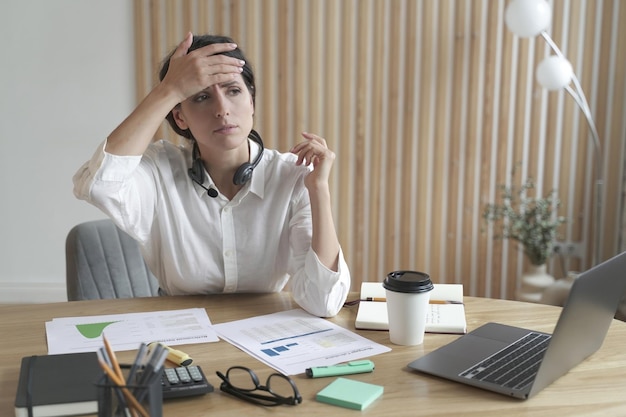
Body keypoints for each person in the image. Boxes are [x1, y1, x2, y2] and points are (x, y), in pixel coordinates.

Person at [73, 33, 350, 317]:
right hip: (179, 332)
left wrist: (319, 190)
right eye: (202, 96)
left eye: (233, 91)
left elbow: (323, 301)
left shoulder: (292, 175)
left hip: (262, 332)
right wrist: (169, 90)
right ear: (179, 116)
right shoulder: (159, 169)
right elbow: (100, 186)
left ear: (251, 102)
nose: (222, 109)